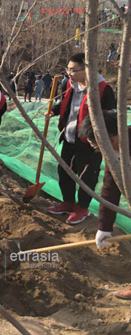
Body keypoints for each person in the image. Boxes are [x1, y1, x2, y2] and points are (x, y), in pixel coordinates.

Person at [45, 53, 116, 224]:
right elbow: (66, 105)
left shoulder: (102, 89)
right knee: (65, 171)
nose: (68, 73)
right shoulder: (70, 86)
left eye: (73, 70)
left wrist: (102, 141)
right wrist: (54, 111)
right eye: (68, 69)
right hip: (69, 139)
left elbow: (111, 118)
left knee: (87, 176)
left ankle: (82, 208)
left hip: (89, 143)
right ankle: (68, 202)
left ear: (86, 70)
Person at [79, 111, 131, 300]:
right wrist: (104, 227)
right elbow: (110, 187)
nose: (97, 149)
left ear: (111, 138)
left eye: (96, 144)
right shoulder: (112, 153)